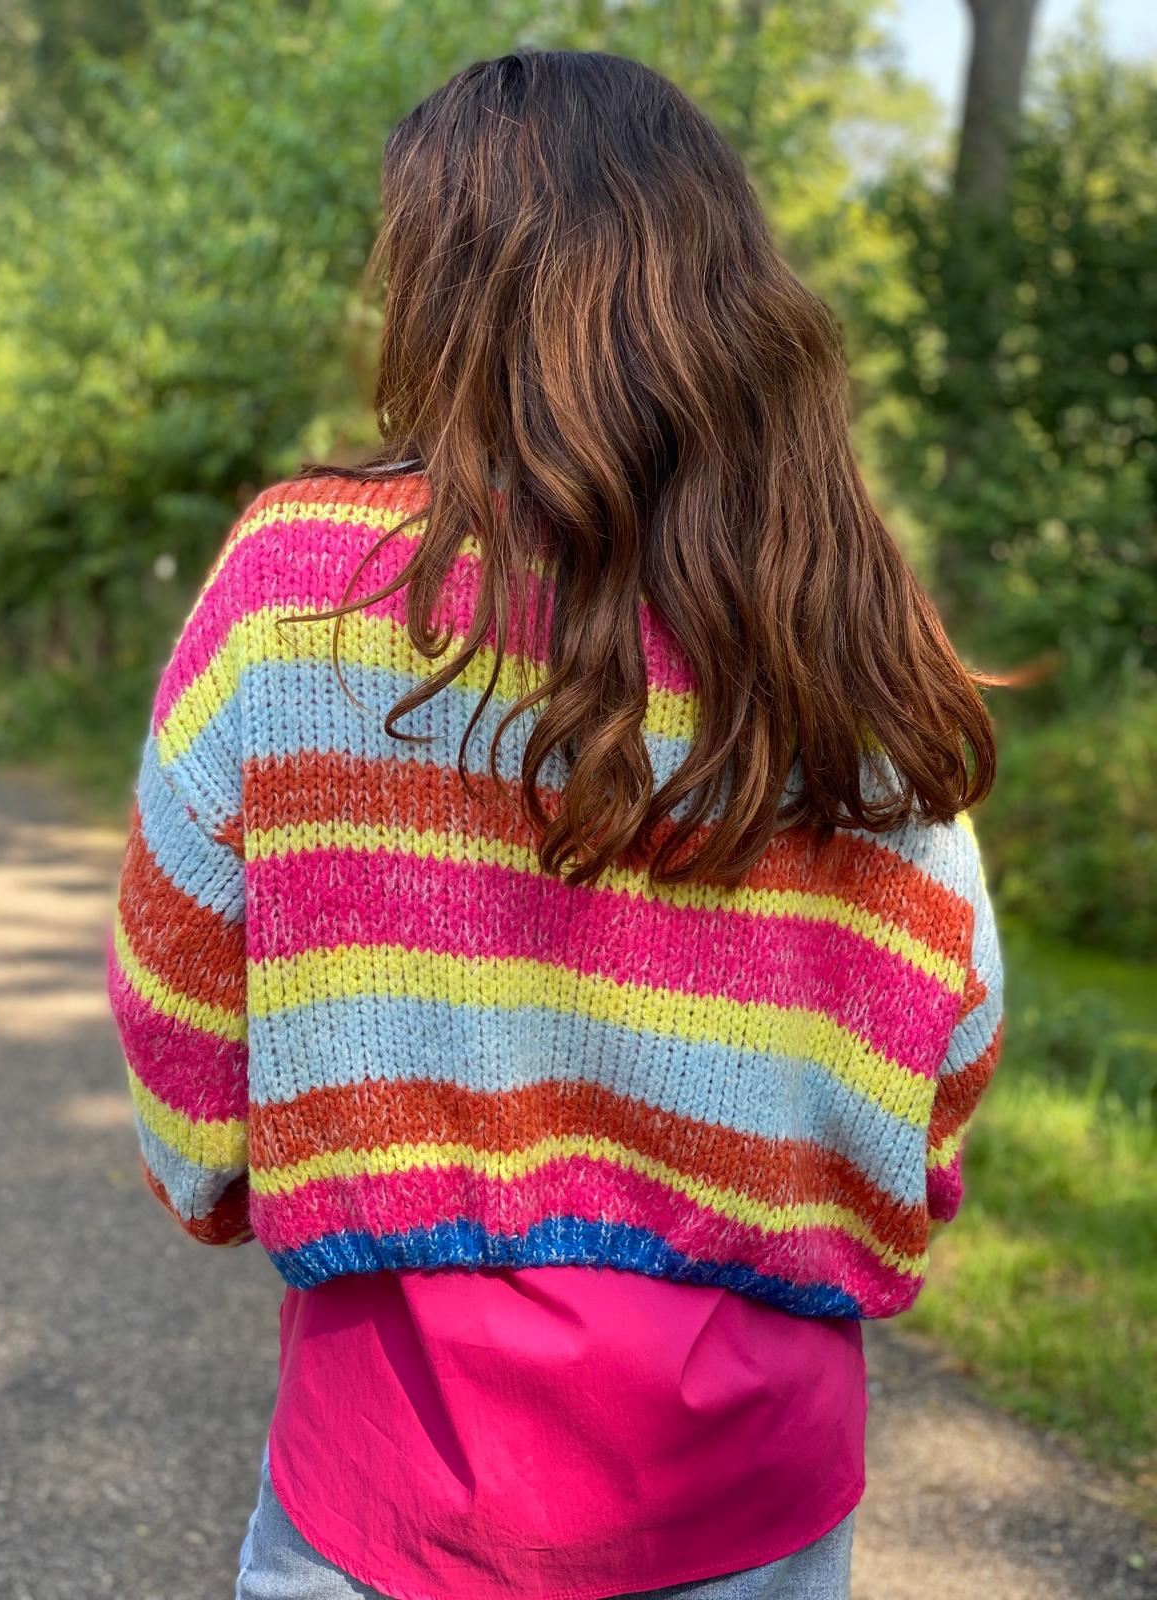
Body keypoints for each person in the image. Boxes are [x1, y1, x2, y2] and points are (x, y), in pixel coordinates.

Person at [106, 48, 1004, 1600]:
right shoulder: (835, 618)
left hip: (405, 1463)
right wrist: (871, 1190)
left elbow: (180, 981)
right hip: (759, 1473)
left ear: (444, 290)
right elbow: (951, 1013)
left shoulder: (305, 584)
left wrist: (232, 1173)